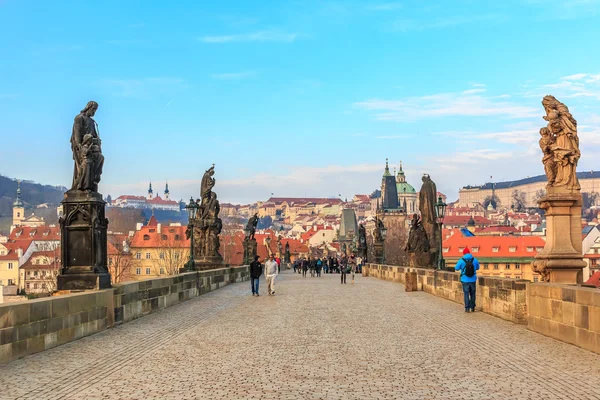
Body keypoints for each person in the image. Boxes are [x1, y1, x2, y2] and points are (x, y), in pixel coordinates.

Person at [454, 247, 480, 312]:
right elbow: (478, 268)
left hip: (465, 280)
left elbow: (456, 268)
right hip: (473, 280)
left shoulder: (461, 260)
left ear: (464, 253)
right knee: (473, 294)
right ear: (469, 253)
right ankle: (473, 307)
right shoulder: (475, 260)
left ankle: (467, 308)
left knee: (466, 294)